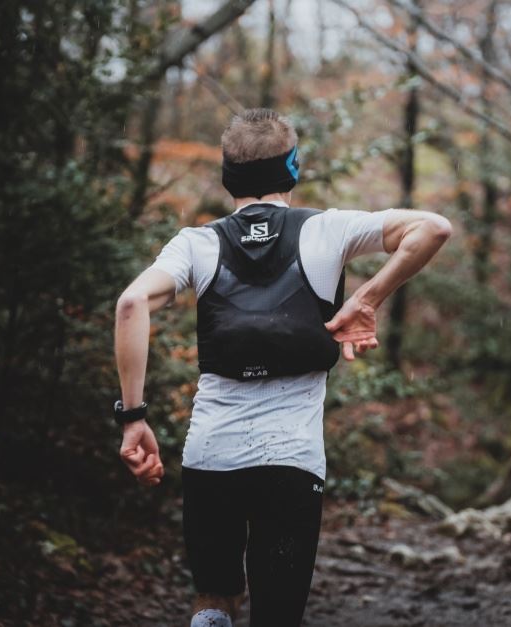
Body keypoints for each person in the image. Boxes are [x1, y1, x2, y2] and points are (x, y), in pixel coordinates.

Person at [113, 108, 451, 626]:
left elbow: (130, 305)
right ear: (291, 169)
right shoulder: (328, 230)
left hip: (210, 454)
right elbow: (433, 228)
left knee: (213, 600)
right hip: (291, 461)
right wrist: (367, 296)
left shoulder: (196, 243)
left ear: (229, 177)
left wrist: (134, 419)